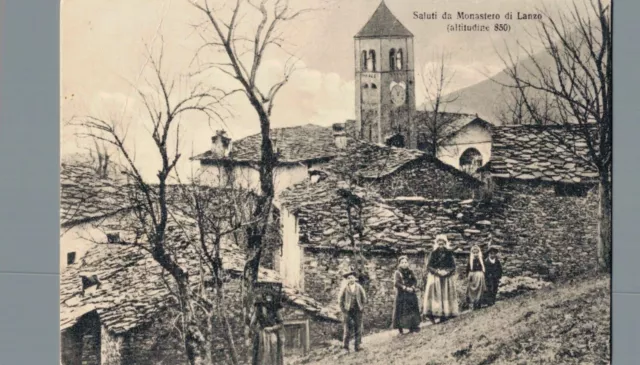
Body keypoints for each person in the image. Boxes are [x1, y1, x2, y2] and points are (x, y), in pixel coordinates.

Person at [422, 234, 459, 324]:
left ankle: (446, 314)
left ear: (445, 244)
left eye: (442, 244)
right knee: (435, 294)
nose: (441, 246)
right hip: (436, 277)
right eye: (439, 244)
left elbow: (453, 266)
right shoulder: (433, 253)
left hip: (446, 278)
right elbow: (429, 266)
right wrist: (437, 272)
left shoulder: (449, 253)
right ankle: (434, 315)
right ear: (437, 244)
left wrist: (447, 272)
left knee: (446, 294)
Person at [249, 284, 284, 365]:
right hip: (262, 334)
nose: (268, 298)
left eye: (270, 297)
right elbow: (252, 324)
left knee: (273, 347)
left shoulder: (275, 309)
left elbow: (281, 324)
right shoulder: (259, 309)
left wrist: (272, 329)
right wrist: (259, 332)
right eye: (267, 296)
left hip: (272, 333)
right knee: (260, 354)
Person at [339, 269, 367, 352]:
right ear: (347, 280)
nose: (350, 279)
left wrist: (362, 307)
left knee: (358, 328)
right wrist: (343, 310)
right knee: (347, 329)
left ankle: (357, 346)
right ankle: (345, 347)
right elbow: (340, 300)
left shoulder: (359, 287)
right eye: (348, 278)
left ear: (355, 278)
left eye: (352, 277)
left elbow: (364, 298)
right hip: (348, 311)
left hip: (358, 310)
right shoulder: (344, 288)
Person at [391, 256, 421, 334]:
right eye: (402, 263)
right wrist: (405, 288)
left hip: (411, 293)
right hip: (402, 294)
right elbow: (396, 283)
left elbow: (414, 280)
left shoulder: (410, 271)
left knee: (412, 309)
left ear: (408, 263)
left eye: (405, 262)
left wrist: (413, 287)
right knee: (401, 311)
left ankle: (412, 326)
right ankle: (400, 329)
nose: (404, 264)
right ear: (399, 264)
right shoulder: (398, 272)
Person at [466, 245, 487, 310]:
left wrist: (483, 274)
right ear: (472, 253)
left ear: (479, 252)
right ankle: (474, 303)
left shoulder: (481, 259)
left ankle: (479, 303)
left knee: (480, 289)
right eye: (474, 253)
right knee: (473, 289)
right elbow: (467, 269)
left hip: (480, 276)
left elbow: (484, 268)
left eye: (476, 252)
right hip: (473, 276)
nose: (475, 254)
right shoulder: (470, 260)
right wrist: (468, 276)